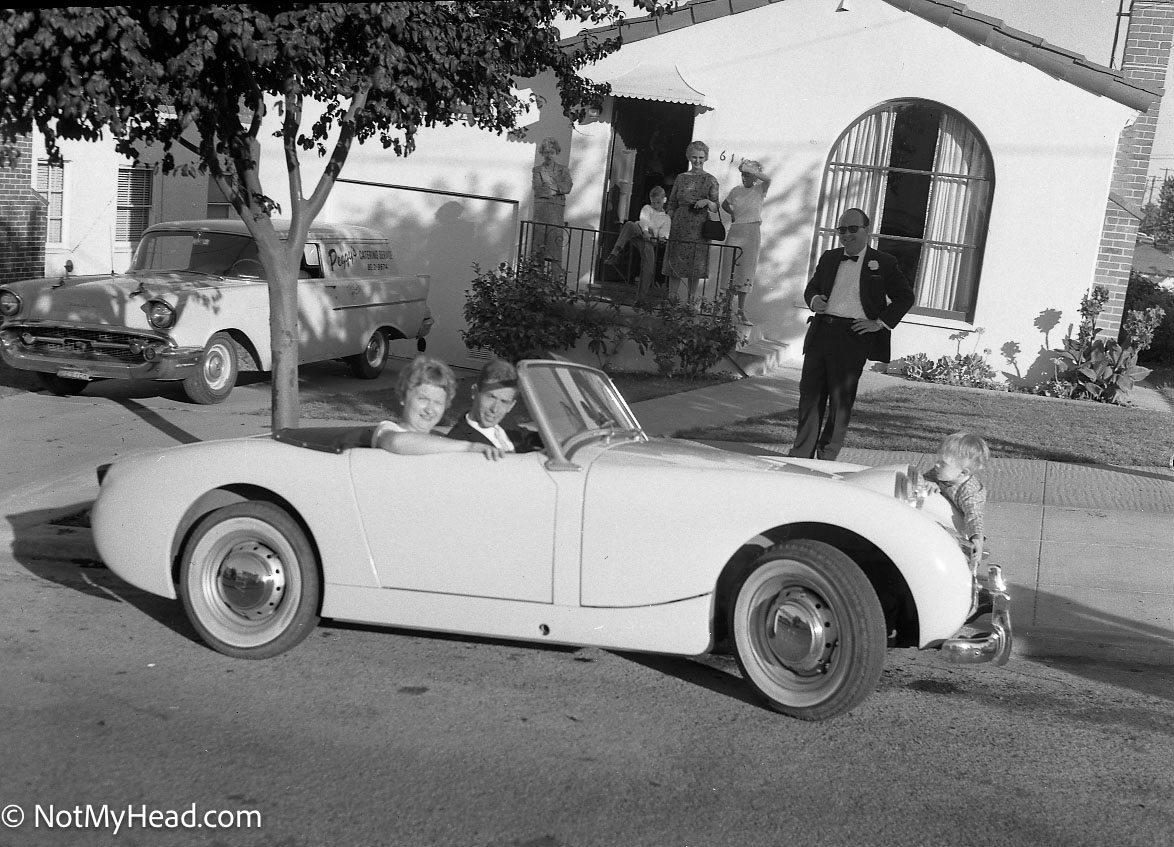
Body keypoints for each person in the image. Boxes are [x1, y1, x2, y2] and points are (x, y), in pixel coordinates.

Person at [788, 207, 915, 461]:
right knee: (810, 395)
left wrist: (879, 323)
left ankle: (827, 457)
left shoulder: (884, 263)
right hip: (822, 331)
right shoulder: (829, 257)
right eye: (841, 230)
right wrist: (814, 299)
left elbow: (905, 297)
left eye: (852, 229)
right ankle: (801, 453)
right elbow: (811, 287)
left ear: (866, 231)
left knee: (840, 400)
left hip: (853, 336)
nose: (846, 235)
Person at [371, 354, 505, 460]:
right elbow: (397, 442)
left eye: (438, 402)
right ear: (402, 397)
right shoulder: (388, 430)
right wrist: (469, 447)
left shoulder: (440, 439)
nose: (429, 409)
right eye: (423, 399)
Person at [664, 140, 720, 308]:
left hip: (699, 226)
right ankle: (671, 300)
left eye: (701, 157)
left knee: (696, 265)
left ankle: (691, 303)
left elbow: (716, 207)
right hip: (680, 225)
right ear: (689, 157)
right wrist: (669, 219)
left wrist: (706, 202)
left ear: (706, 158)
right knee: (676, 264)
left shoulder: (711, 180)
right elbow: (671, 203)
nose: (697, 161)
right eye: (694, 157)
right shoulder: (681, 178)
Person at [924, 432, 990, 568]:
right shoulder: (940, 474)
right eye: (937, 460)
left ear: (963, 472)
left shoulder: (970, 492)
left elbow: (974, 516)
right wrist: (929, 482)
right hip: (941, 519)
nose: (936, 465)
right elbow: (924, 478)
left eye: (943, 463)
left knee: (959, 559)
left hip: (959, 531)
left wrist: (977, 538)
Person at [445, 358, 540, 453]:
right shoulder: (457, 441)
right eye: (491, 397)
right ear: (474, 392)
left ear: (511, 406)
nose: (495, 409)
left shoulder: (506, 422)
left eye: (504, 401)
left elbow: (528, 437)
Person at [720, 159, 771, 325]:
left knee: (746, 269)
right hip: (736, 231)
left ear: (754, 176)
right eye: (742, 174)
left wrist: (751, 170)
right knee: (730, 268)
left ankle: (741, 310)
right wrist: (733, 214)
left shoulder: (759, 189)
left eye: (747, 175)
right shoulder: (736, 191)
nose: (744, 178)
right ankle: (726, 309)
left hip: (751, 232)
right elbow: (724, 204)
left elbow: (768, 179)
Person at [604, 185, 671, 300]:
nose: (655, 205)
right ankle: (615, 253)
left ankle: (641, 298)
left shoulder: (666, 218)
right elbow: (644, 219)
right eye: (653, 202)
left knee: (649, 266)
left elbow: (664, 231)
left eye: (658, 203)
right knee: (630, 224)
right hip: (640, 231)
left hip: (650, 240)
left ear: (664, 200)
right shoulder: (647, 208)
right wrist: (645, 231)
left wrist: (662, 237)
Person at [531, 136, 573, 275]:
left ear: (556, 153)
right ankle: (535, 283)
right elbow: (538, 189)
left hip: (556, 215)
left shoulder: (563, 170)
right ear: (542, 153)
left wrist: (551, 187)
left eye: (552, 152)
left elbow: (567, 186)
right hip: (541, 213)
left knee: (555, 251)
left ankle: (555, 286)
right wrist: (557, 189)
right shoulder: (537, 170)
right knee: (537, 251)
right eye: (546, 152)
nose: (549, 155)